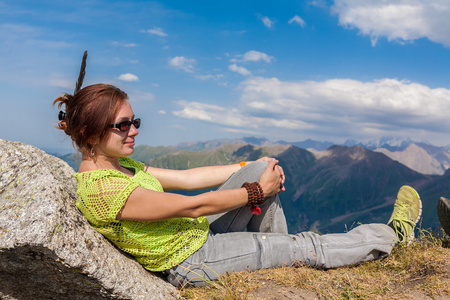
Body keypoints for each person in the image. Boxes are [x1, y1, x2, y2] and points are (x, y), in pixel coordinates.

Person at [53, 83, 423, 287]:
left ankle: (283, 254)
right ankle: (392, 235)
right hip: (191, 261)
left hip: (197, 237)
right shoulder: (103, 190)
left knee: (263, 166)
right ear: (89, 132)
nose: (133, 130)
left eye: (135, 122)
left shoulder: (122, 165)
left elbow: (186, 179)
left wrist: (249, 167)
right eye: (123, 125)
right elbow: (190, 205)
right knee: (306, 243)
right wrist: (256, 191)